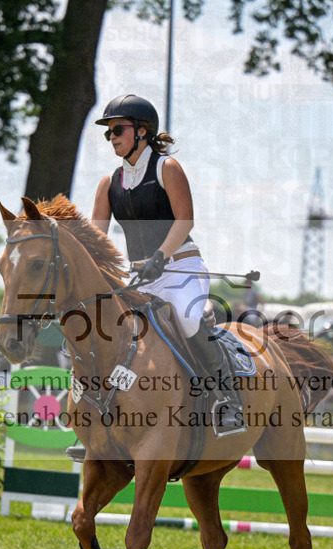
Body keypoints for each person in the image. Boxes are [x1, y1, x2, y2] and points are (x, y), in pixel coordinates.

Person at [91, 94, 245, 436]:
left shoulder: (166, 168)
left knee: (188, 320)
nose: (112, 136)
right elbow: (96, 238)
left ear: (142, 131)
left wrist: (160, 257)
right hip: (138, 276)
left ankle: (229, 400)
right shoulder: (109, 183)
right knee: (109, 333)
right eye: (108, 132)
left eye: (118, 129)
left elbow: (185, 220)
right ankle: (99, 413)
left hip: (179, 268)